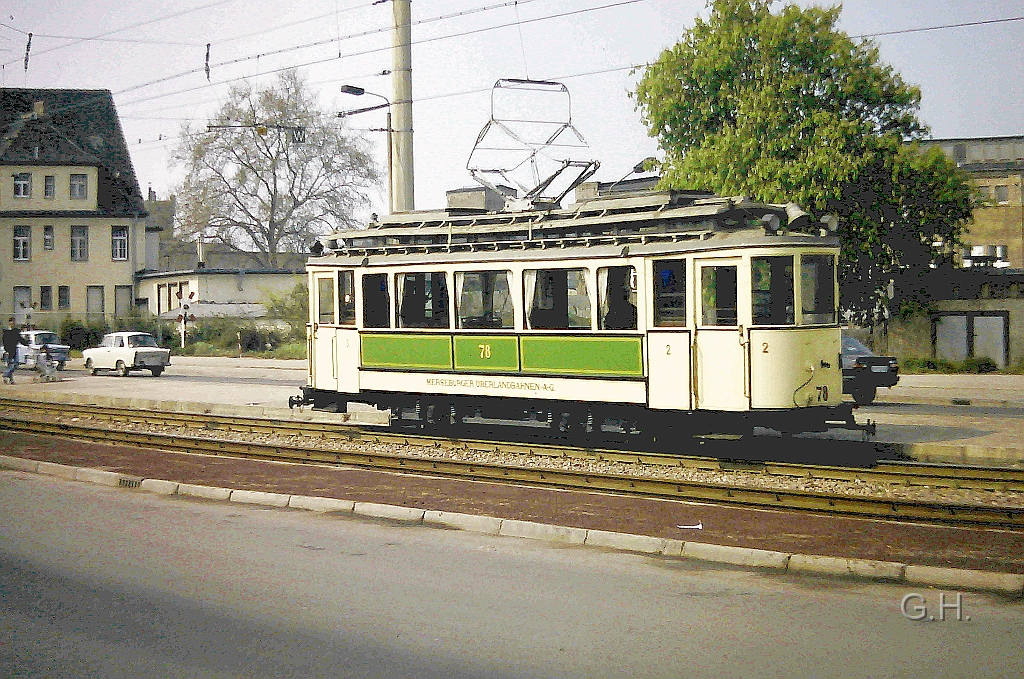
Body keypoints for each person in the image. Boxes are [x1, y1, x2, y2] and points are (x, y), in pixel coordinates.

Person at [3, 317, 29, 384]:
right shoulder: (6, 331)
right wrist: (6, 349)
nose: (12, 323)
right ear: (9, 322)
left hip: (14, 349)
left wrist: (26, 343)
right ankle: (8, 376)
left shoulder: (15, 331)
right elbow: (4, 341)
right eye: (11, 321)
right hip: (8, 350)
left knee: (15, 364)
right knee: (10, 364)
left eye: (13, 322)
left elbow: (20, 339)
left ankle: (8, 377)